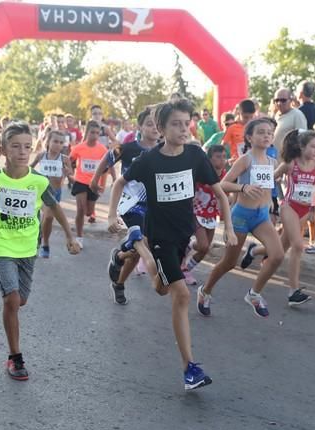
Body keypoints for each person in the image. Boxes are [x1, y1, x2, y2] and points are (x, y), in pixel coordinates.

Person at [107, 98, 236, 391]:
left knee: (161, 287)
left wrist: (227, 227)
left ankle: (134, 246)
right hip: (161, 237)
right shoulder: (149, 161)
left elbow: (219, 193)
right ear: (162, 129)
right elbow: (118, 183)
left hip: (182, 236)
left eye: (186, 122)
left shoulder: (194, 156)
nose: (183, 128)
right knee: (181, 295)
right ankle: (190, 368)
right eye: (175, 124)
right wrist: (113, 214)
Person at [0, 121, 80, 381]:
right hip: (2, 246)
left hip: (29, 248)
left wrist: (70, 236)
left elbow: (56, 207)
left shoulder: (37, 181)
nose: (23, 151)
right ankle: (15, 357)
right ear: (3, 149)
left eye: (27, 146)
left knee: (20, 300)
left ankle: (11, 314)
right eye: (16, 146)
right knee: (12, 300)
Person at [197, 118, 284, 316]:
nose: (266, 136)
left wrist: (271, 205)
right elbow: (223, 184)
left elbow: (268, 187)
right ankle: (206, 290)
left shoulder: (272, 161)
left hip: (261, 216)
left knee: (278, 255)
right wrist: (243, 187)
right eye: (261, 132)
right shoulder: (245, 159)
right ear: (250, 137)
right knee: (229, 263)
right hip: (241, 216)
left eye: (269, 133)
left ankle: (254, 294)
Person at [98, 107, 159, 305]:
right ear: (140, 126)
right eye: (149, 124)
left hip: (152, 207)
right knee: (141, 243)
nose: (154, 128)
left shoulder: (163, 150)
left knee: (134, 253)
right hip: (130, 204)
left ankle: (119, 272)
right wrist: (95, 179)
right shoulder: (127, 148)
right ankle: (143, 267)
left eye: (157, 124)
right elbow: (107, 159)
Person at [276, 130, 315, 305]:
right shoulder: (290, 164)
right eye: (313, 146)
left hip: (304, 210)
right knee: (299, 246)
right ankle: (293, 291)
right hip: (289, 207)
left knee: (278, 249)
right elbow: (271, 177)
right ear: (301, 147)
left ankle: (254, 251)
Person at [181, 144, 227, 286]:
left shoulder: (225, 175)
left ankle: (186, 264)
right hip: (197, 211)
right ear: (209, 159)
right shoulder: (201, 172)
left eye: (224, 157)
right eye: (218, 157)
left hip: (212, 214)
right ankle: (183, 269)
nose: (222, 160)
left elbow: (227, 193)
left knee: (205, 248)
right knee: (203, 245)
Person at [30, 131, 73, 258]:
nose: (58, 145)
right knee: (48, 216)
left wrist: (67, 173)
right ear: (48, 142)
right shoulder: (41, 156)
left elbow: (70, 175)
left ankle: (42, 240)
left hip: (56, 192)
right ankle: (45, 244)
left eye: (61, 142)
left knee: (47, 218)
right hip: (41, 192)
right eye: (55, 141)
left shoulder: (64, 159)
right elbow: (30, 169)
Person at [70, 120, 108, 246]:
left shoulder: (102, 149)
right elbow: (69, 161)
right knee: (80, 210)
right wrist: (69, 174)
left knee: (88, 212)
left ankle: (90, 212)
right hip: (80, 181)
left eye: (97, 133)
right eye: (92, 132)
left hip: (94, 184)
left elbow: (105, 169)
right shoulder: (79, 148)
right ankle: (79, 238)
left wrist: (102, 184)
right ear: (87, 132)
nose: (95, 135)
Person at [223, 99, 256, 164]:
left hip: (252, 163)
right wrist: (226, 160)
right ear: (239, 113)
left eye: (251, 117)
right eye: (245, 117)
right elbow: (223, 145)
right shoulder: (232, 128)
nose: (248, 120)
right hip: (237, 163)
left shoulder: (256, 127)